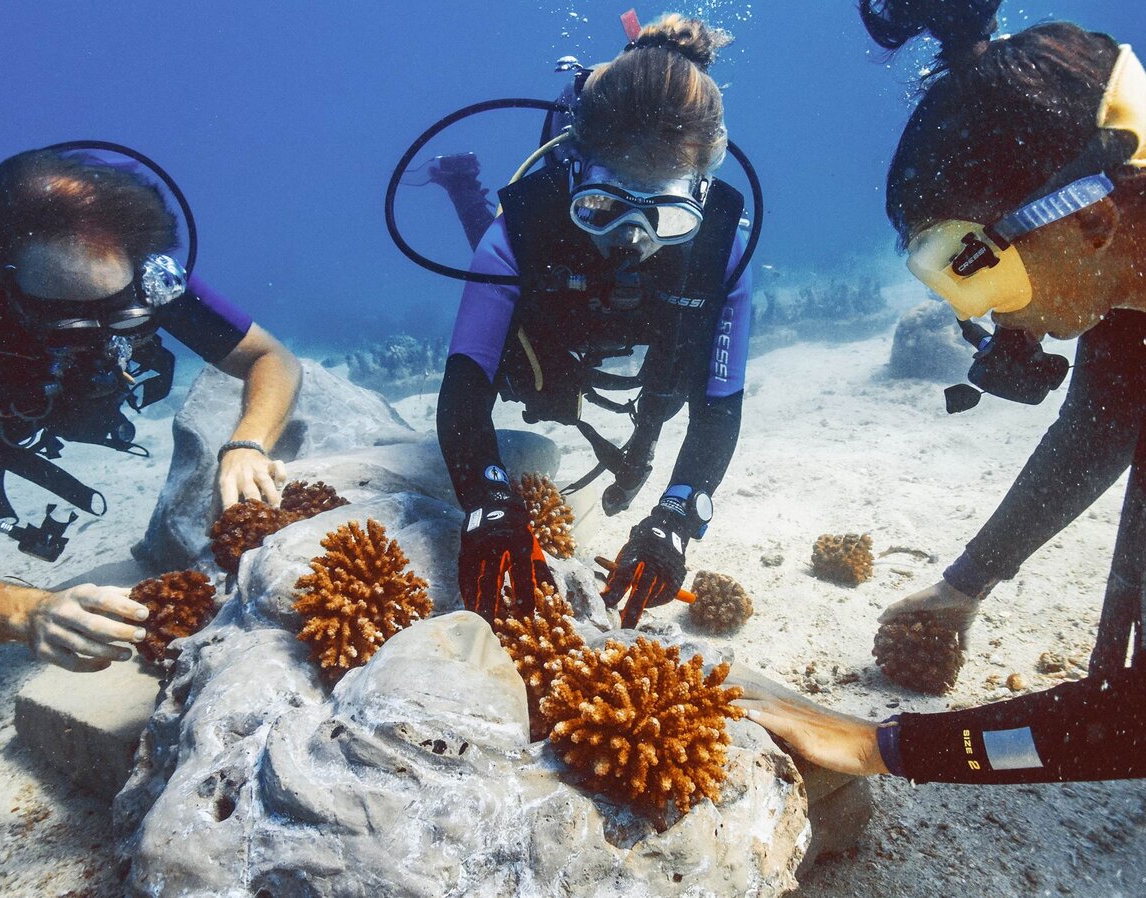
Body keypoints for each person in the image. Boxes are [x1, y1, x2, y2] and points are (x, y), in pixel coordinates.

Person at [741, 0, 1146, 785]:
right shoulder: (1124, 283)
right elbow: (1103, 425)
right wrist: (966, 583)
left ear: (1090, 218)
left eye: (972, 266)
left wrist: (884, 746)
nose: (980, 310)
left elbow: (1134, 722)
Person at [435, 14, 753, 626]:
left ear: (701, 193)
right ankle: (464, 189)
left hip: (655, 332)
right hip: (549, 314)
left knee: (671, 383)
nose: (631, 239)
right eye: (603, 205)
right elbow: (465, 387)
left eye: (665, 213)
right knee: (524, 359)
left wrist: (677, 520)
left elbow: (720, 404)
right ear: (575, 171)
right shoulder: (528, 223)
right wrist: (488, 500)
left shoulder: (721, 248)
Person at [0, 141, 302, 672]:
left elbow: (272, 358)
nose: (104, 341)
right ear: (3, 282)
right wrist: (27, 612)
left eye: (125, 319)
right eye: (71, 323)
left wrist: (247, 442)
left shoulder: (137, 273)